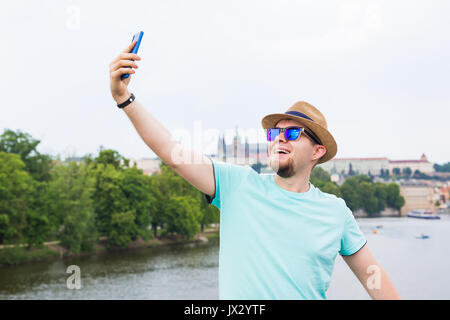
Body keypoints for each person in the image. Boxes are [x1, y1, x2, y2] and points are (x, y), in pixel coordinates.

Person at [109, 40, 401, 300]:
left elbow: (372, 278)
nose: (279, 139)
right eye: (275, 134)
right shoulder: (236, 185)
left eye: (293, 133)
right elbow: (172, 152)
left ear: (317, 151)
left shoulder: (336, 212)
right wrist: (125, 98)